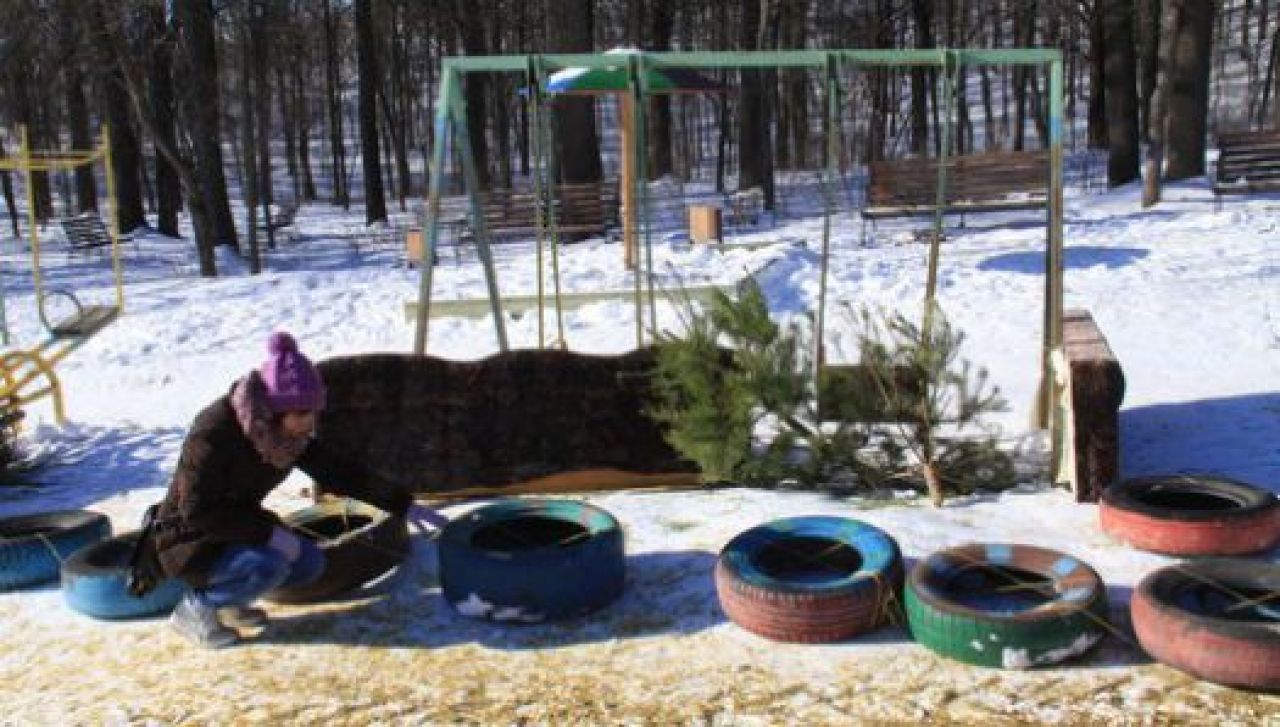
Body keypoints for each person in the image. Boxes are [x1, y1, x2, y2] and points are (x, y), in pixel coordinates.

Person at [153, 331, 446, 648]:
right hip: (190, 541)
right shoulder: (213, 434)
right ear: (276, 410)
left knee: (309, 564)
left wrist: (400, 502)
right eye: (304, 414)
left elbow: (339, 471)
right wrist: (270, 535)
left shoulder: (284, 436)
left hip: (236, 529)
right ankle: (196, 608)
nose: (312, 421)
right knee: (270, 565)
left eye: (314, 412)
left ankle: (231, 601)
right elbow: (198, 512)